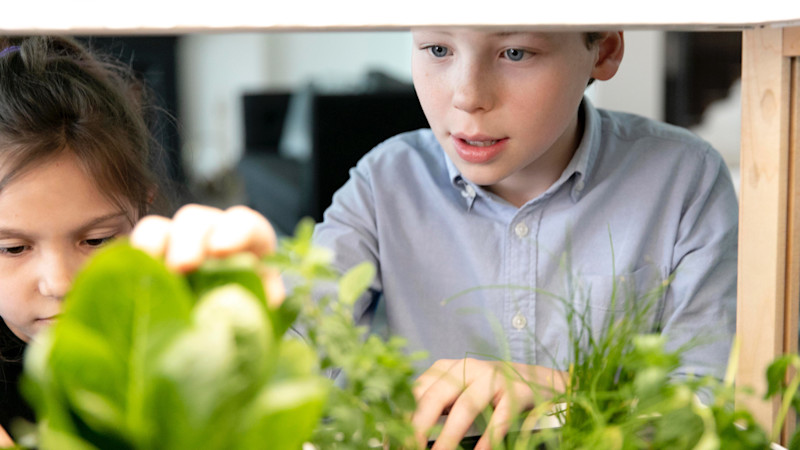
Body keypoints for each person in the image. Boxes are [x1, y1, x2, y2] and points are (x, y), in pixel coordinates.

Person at [132, 30, 738, 450]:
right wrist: (237, 302)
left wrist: (561, 391)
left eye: (516, 52)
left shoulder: (683, 178)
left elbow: (706, 404)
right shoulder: (385, 180)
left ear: (603, 50)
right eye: (438, 49)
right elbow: (299, 334)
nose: (467, 95)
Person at [0, 36, 277, 446]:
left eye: (97, 240)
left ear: (142, 212)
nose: (59, 283)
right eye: (13, 248)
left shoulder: (183, 334)